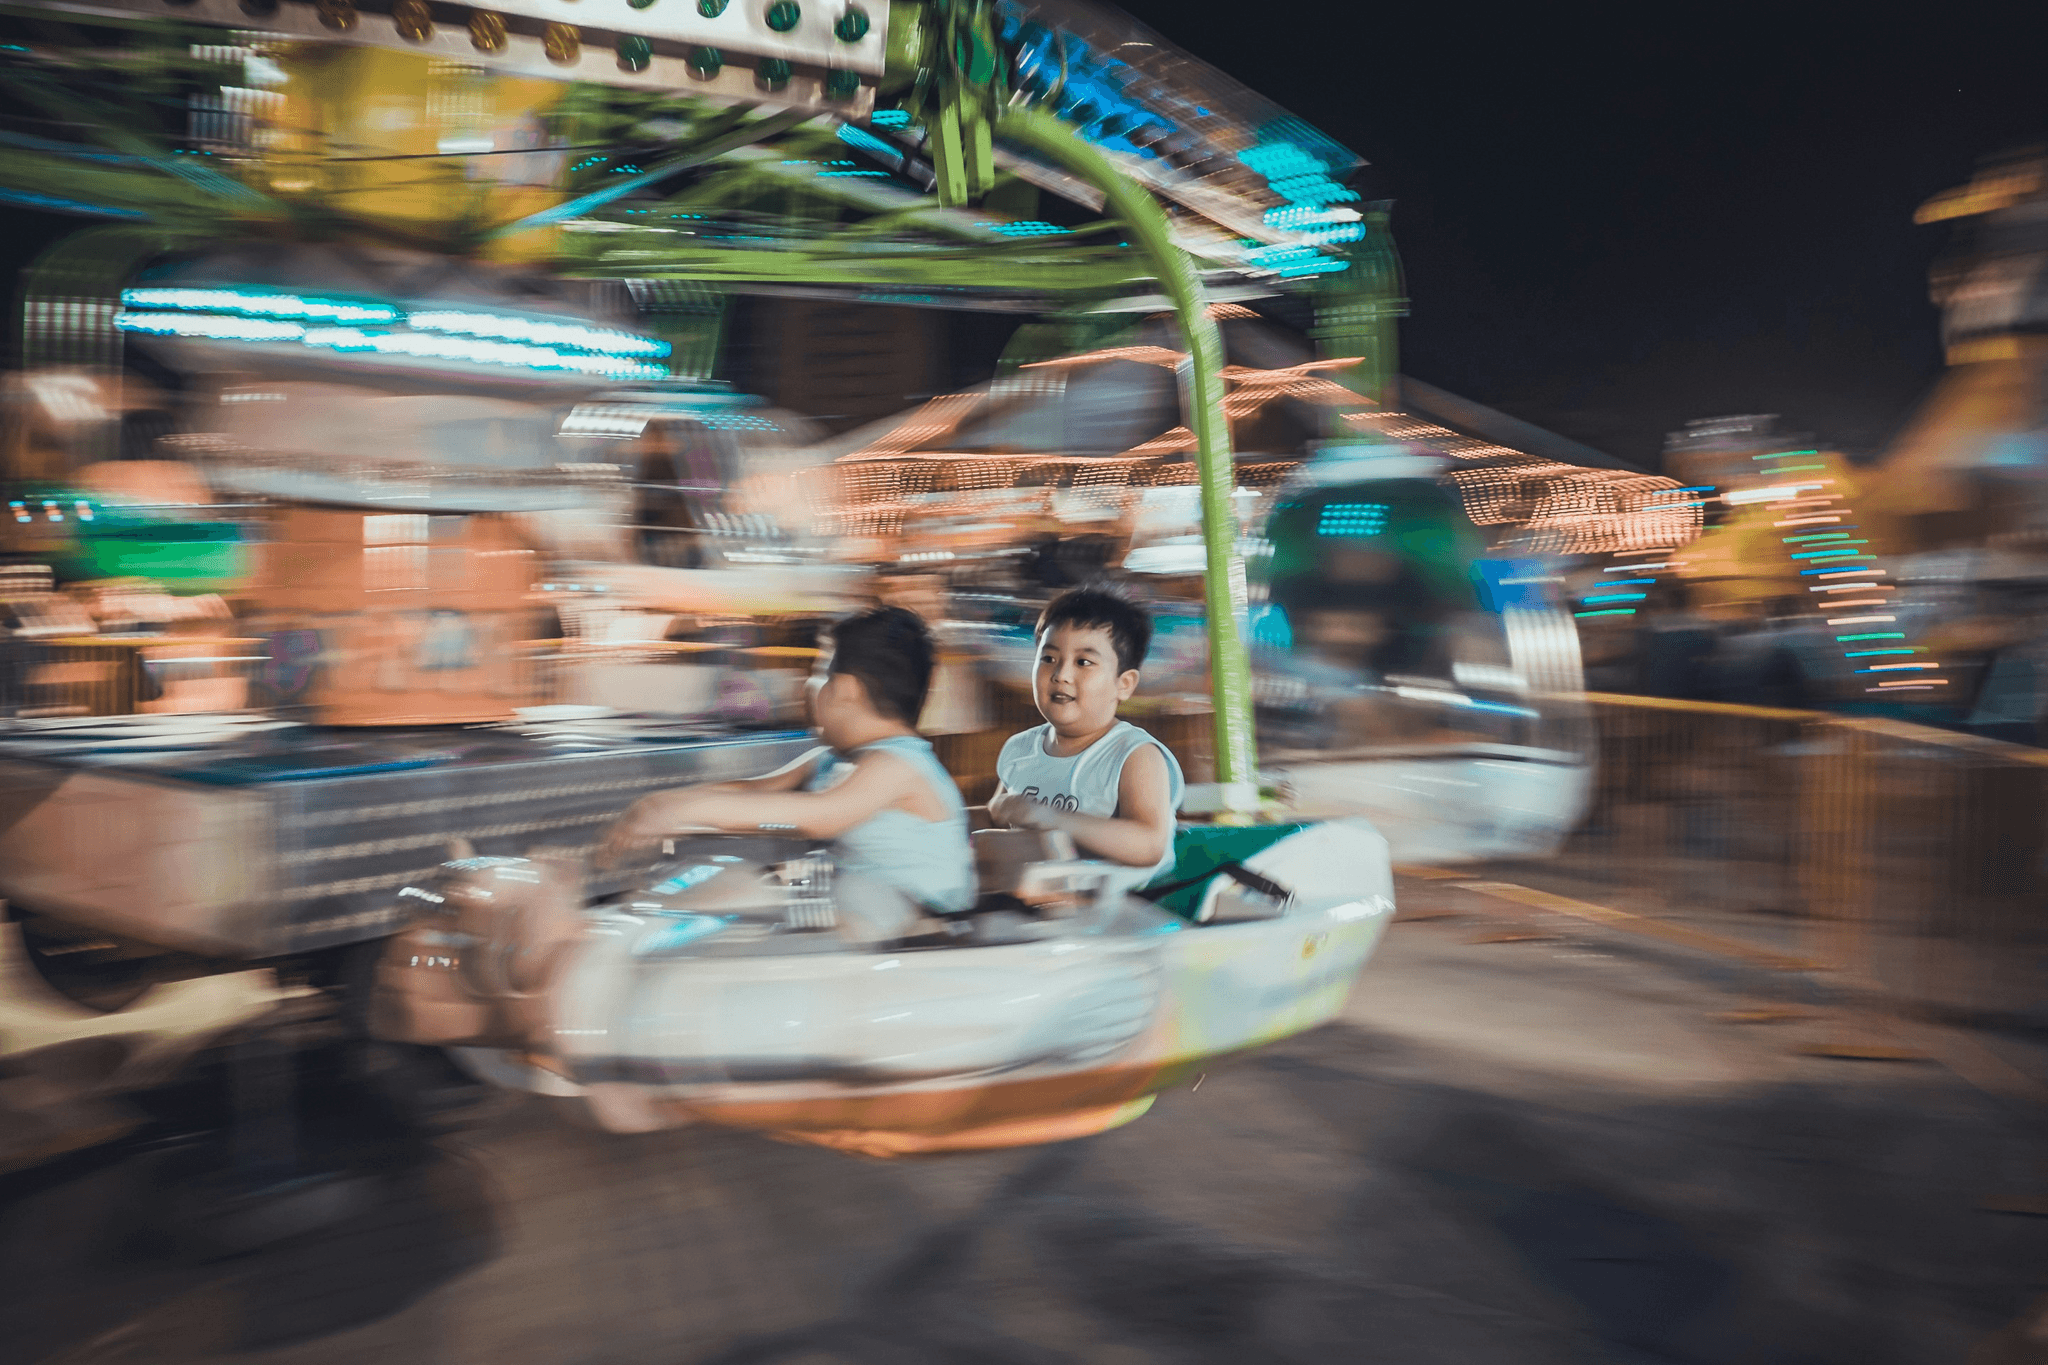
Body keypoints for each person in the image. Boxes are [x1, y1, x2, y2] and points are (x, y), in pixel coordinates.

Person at [598, 605, 974, 938]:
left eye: (817, 671)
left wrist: (683, 812)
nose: (805, 686)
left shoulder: (899, 766)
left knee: (805, 895)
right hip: (859, 907)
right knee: (729, 885)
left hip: (922, 926)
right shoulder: (831, 759)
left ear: (845, 690)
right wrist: (663, 804)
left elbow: (820, 817)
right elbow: (755, 793)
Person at [988, 587, 1184, 882]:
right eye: (1049, 658)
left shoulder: (1133, 755)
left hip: (1118, 913)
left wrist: (1050, 818)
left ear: (1124, 684)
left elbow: (1150, 844)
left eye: (1083, 662)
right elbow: (1000, 815)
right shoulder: (1020, 749)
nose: (1061, 675)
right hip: (1030, 901)